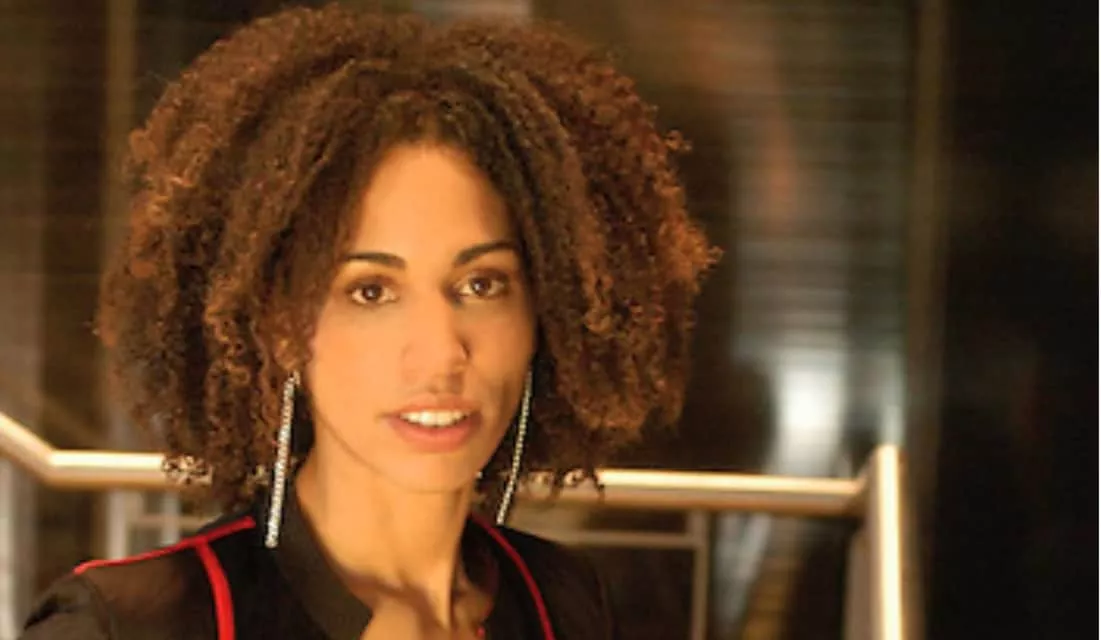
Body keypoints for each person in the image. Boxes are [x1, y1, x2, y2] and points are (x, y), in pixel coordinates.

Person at [21, 4, 715, 639]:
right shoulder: (131, 625)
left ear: (548, 310)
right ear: (278, 325)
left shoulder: (561, 601)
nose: (441, 352)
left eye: (481, 284)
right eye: (371, 291)